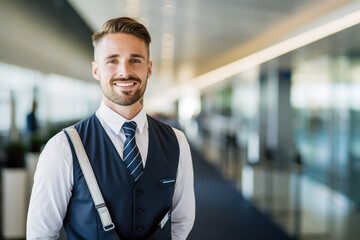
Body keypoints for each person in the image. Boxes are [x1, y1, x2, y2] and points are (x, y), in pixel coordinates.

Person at [27, 17, 195, 240]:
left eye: (135, 60)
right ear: (96, 71)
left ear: (149, 69)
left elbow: (181, 222)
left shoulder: (177, 142)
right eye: (112, 61)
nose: (124, 71)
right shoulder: (63, 147)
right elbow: (40, 235)